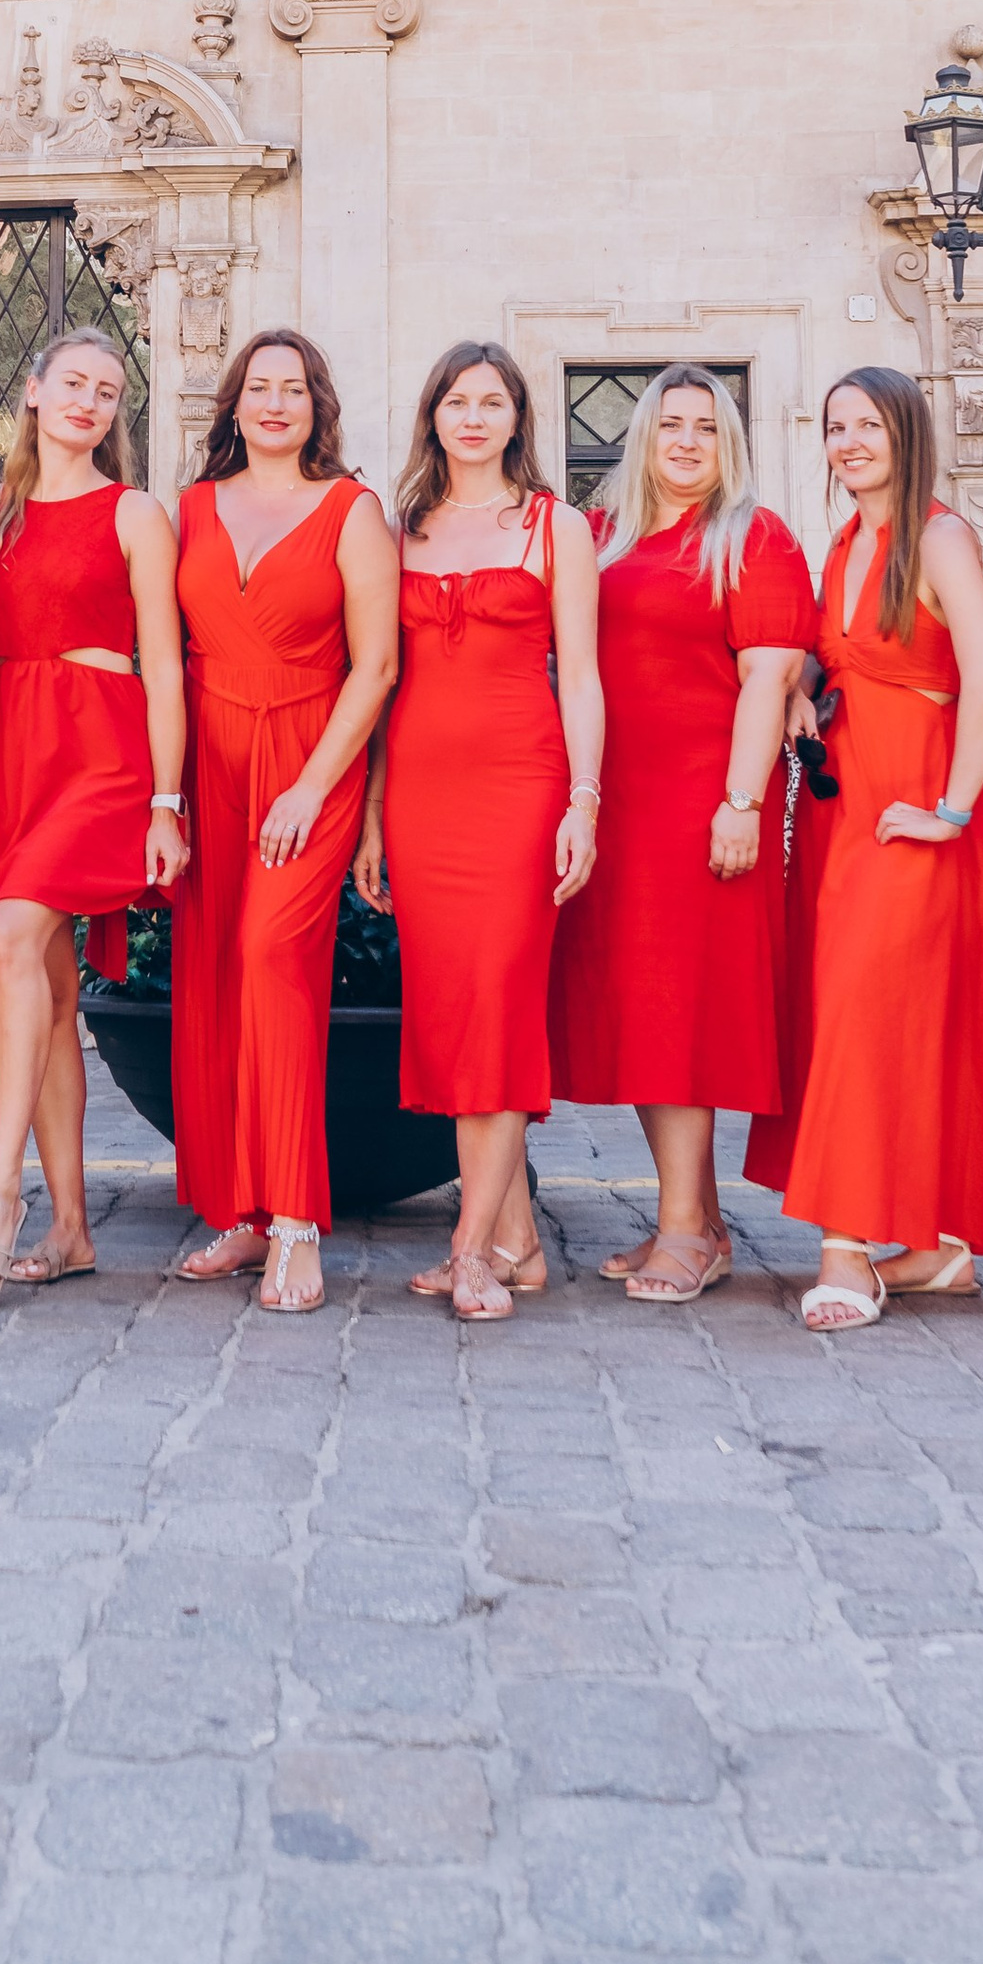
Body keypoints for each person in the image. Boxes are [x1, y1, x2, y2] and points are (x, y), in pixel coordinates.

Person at [745, 367, 983, 1329]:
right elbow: (846, 660)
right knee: (860, 1010)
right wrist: (799, 691)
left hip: (913, 810)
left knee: (868, 1015)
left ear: (908, 432)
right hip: (845, 808)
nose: (849, 442)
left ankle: (847, 1252)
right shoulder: (845, 541)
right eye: (834, 427)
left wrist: (953, 811)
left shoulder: (939, 536)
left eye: (867, 425)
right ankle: (933, 1249)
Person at [549, 365, 815, 1306]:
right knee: (642, 1011)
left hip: (702, 808)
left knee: (681, 1018)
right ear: (643, 438)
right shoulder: (604, 534)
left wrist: (741, 801)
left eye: (707, 426)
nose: (689, 442)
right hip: (614, 804)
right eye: (672, 425)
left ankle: (681, 1232)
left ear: (729, 441)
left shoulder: (754, 535)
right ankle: (697, 1222)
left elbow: (768, 678)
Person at [359, 342, 601, 1323]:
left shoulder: (556, 526)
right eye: (455, 401)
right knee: (454, 1014)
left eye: (490, 402)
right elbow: (378, 685)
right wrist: (372, 815)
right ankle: (518, 1241)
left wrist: (585, 800)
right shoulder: (397, 530)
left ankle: (470, 1247)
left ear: (516, 420)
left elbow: (581, 676)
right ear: (432, 416)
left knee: (498, 1005)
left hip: (520, 790)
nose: (472, 417)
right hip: (418, 798)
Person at [0, 328, 187, 1314]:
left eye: (107, 390)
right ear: (35, 391)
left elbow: (166, 664)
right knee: (37, 983)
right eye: (73, 383)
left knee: (13, 936)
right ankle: (73, 1228)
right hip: (9, 748)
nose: (89, 400)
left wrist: (167, 802)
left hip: (98, 748)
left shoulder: (133, 512)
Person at [171, 334, 400, 1317]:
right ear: (233, 405)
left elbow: (379, 667)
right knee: (216, 971)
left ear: (317, 405)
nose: (274, 404)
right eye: (258, 389)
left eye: (292, 389)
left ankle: (298, 1219)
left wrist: (314, 788)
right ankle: (244, 1204)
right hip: (207, 751)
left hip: (309, 752)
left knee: (273, 961)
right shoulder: (187, 510)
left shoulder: (352, 513)